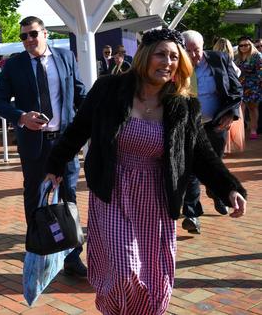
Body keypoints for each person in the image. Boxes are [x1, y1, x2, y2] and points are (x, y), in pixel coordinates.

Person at [44, 28, 247, 315]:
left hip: (156, 197)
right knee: (125, 269)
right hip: (113, 191)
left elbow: (201, 154)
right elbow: (79, 128)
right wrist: (55, 165)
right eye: (160, 54)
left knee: (153, 274)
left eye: (174, 57)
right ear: (144, 58)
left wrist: (230, 188)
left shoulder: (184, 105)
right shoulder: (108, 90)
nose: (167, 62)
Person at [0, 15, 88, 276]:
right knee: (34, 196)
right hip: (34, 144)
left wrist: (96, 123)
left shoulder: (66, 58)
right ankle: (38, 249)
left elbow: (80, 95)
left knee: (69, 196)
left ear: (45, 34)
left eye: (33, 34)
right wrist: (21, 117)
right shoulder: (14, 65)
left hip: (64, 142)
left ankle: (72, 256)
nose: (28, 40)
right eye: (23, 36)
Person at [180, 30, 243, 232]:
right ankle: (191, 214)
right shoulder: (177, 64)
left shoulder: (219, 59)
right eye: (187, 51)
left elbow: (236, 89)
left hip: (216, 124)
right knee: (191, 169)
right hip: (190, 126)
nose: (193, 56)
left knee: (213, 163)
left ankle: (216, 193)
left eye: (196, 50)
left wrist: (231, 113)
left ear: (203, 46)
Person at [213, 38, 245, 154]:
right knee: (228, 123)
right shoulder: (230, 62)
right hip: (231, 97)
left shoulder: (213, 61)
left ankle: (221, 148)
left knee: (221, 122)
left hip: (220, 96)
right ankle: (223, 147)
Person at [234, 36, 262, 139]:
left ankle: (253, 129)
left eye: (246, 45)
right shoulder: (237, 56)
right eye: (241, 45)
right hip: (240, 86)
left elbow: (260, 72)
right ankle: (240, 131)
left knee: (252, 108)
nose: (244, 47)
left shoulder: (257, 56)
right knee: (240, 108)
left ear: (251, 45)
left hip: (254, 87)